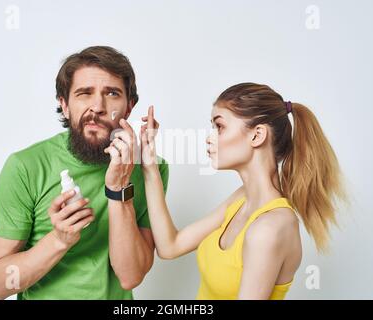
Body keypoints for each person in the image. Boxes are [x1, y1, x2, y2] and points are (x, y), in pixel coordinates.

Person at [0, 46, 169, 299]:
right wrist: (59, 240)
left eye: (112, 93)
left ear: (128, 107)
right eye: (84, 93)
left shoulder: (150, 168)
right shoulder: (26, 167)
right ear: (65, 105)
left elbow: (131, 276)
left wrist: (119, 190)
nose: (97, 107)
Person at [139, 83, 346, 299]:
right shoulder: (241, 199)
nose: (209, 138)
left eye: (219, 127)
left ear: (257, 135)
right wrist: (149, 167)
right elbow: (170, 246)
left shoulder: (271, 227)